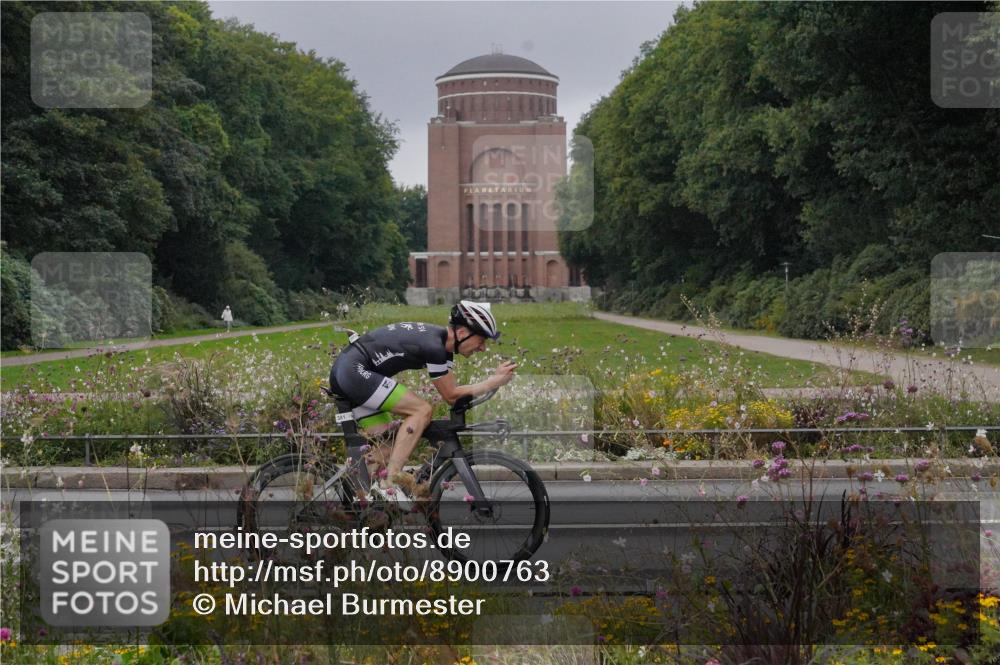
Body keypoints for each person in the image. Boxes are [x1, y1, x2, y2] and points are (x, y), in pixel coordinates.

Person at [328, 301, 516, 505]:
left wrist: (487, 388)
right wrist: (492, 382)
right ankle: (390, 483)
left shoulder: (444, 350)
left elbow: (454, 396)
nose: (483, 348)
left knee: (388, 446)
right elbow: (451, 395)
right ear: (462, 333)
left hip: (354, 373)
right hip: (354, 373)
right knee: (422, 410)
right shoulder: (434, 345)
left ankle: (355, 504)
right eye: (481, 340)